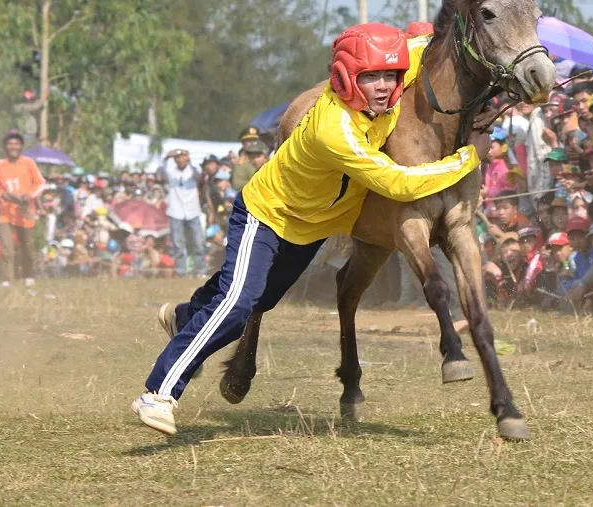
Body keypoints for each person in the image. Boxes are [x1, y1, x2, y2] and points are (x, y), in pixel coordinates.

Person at [133, 23, 491, 436]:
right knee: (238, 304)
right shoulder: (334, 129)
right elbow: (398, 183)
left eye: (390, 76)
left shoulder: (386, 92)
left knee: (257, 298)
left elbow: (426, 48)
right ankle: (159, 392)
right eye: (370, 76)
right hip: (268, 216)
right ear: (344, 77)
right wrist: (468, 158)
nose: (382, 86)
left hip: (312, 228)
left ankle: (185, 316)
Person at [0, 130, 45, 287]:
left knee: (27, 246)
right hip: (6, 213)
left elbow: (40, 183)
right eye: (10, 143)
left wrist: (30, 196)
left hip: (25, 211)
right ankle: (7, 278)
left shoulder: (28, 163)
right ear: (5, 146)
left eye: (16, 143)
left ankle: (28, 276)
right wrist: (2, 195)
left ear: (21, 146)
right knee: (6, 246)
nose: (13, 146)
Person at [162, 149, 207, 278]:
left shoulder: (192, 171)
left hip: (193, 211)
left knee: (198, 242)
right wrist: (166, 158)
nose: (180, 160)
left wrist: (190, 160)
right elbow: (161, 172)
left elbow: (199, 177)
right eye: (178, 158)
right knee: (178, 243)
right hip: (176, 211)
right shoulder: (171, 172)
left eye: (183, 157)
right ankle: (181, 272)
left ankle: (200, 271)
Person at [230, 127, 263, 192]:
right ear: (243, 143)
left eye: (254, 140)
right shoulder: (241, 161)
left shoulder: (264, 155)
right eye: (248, 140)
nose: (252, 143)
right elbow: (237, 184)